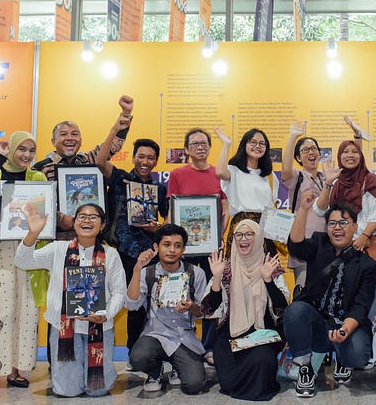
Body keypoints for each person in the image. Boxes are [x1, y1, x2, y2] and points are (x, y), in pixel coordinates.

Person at [16, 203, 126, 397]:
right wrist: (33, 233)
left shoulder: (111, 255)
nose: (87, 220)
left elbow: (118, 292)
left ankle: (103, 372)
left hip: (100, 326)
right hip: (64, 328)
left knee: (98, 390)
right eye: (82, 216)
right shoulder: (57, 249)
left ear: (102, 226)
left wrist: (106, 315)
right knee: (67, 391)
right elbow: (23, 261)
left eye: (93, 217)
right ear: (74, 223)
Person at [285, 191, 376, 397]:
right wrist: (303, 209)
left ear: (355, 227)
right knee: (295, 311)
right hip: (317, 322)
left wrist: (345, 330)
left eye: (344, 223)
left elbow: (361, 306)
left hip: (345, 322)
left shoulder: (366, 264)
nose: (338, 228)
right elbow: (296, 245)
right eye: (332, 223)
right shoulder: (319, 243)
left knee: (358, 355)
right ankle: (305, 368)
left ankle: (343, 359)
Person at [0, 130, 48, 393]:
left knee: (28, 311)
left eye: (31, 150)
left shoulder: (37, 177)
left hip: (29, 248)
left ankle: (19, 369)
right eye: (22, 149)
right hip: (2, 250)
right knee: (0, 312)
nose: (27, 155)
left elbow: (44, 213)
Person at [95, 117, 169, 353]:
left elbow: (168, 221)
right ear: (134, 156)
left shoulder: (160, 189)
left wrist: (157, 229)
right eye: (141, 156)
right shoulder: (120, 178)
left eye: (150, 158)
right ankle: (129, 351)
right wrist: (115, 128)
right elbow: (99, 160)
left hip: (149, 254)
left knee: (146, 304)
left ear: (156, 161)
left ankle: (143, 351)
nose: (145, 161)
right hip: (120, 252)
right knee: (121, 300)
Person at [203, 220, 290, 401]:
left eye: (249, 234)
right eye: (239, 235)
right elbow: (208, 310)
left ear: (258, 238)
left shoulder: (270, 266)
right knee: (228, 384)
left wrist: (267, 281)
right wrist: (217, 280)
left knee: (261, 362)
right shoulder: (224, 269)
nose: (244, 239)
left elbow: (282, 309)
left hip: (262, 334)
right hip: (229, 336)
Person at [34, 95, 134, 239]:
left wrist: (126, 114)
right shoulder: (41, 169)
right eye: (63, 134)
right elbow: (36, 205)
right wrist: (59, 218)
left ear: (81, 140)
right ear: (53, 141)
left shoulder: (89, 161)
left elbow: (112, 145)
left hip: (91, 239)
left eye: (75, 134)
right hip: (56, 241)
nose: (70, 138)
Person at [125, 224, 207, 396]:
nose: (172, 250)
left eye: (178, 245)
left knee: (194, 385)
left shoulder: (195, 273)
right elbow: (131, 305)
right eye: (166, 244)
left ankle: (178, 366)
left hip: (183, 336)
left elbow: (203, 313)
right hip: (155, 334)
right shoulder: (147, 273)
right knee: (138, 357)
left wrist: (191, 307)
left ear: (184, 249)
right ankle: (155, 372)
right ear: (156, 247)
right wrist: (137, 268)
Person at [166, 127, 227, 357]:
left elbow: (225, 210)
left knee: (213, 292)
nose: (200, 147)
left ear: (210, 147)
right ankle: (183, 346)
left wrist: (221, 234)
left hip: (211, 246)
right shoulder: (178, 175)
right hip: (185, 248)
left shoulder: (220, 173)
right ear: (186, 149)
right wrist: (169, 242)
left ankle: (209, 346)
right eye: (195, 144)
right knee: (185, 293)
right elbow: (173, 210)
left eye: (204, 143)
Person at [215, 127, 280, 254]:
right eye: (253, 142)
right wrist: (226, 145)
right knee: (239, 269)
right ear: (244, 145)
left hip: (264, 229)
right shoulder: (234, 171)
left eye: (262, 143)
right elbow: (220, 172)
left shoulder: (270, 176)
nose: (258, 146)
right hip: (241, 227)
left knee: (265, 270)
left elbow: (273, 207)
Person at [316, 139, 376, 250]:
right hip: (340, 245)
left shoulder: (371, 180)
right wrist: (328, 183)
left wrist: (364, 237)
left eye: (354, 151)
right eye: (345, 151)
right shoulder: (336, 182)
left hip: (365, 245)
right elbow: (320, 210)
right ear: (339, 156)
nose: (350, 155)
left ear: (360, 155)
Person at [281, 123, 326, 287]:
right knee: (304, 293)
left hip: (327, 248)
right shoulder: (297, 177)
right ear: (298, 158)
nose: (311, 152)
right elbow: (285, 169)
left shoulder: (326, 178)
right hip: (304, 246)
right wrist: (293, 136)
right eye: (305, 150)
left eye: (314, 148)